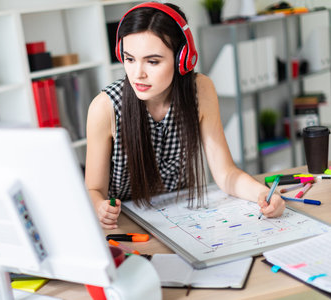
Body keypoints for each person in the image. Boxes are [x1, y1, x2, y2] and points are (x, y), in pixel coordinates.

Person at [85, 2, 285, 229]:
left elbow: (225, 173)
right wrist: (100, 206)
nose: (137, 73)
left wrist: (264, 195)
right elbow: (94, 189)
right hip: (126, 223)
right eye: (130, 59)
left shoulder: (200, 90)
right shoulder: (105, 108)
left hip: (182, 219)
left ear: (183, 59)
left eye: (152, 61)